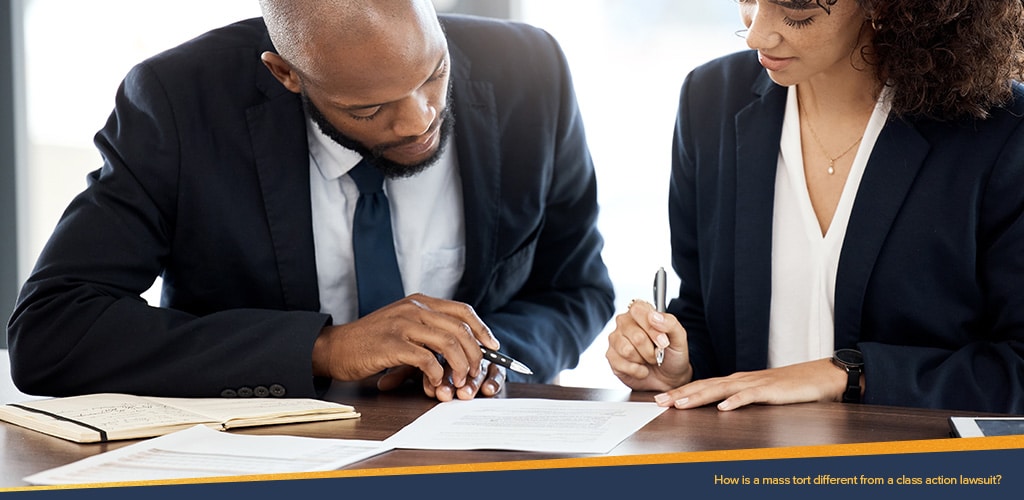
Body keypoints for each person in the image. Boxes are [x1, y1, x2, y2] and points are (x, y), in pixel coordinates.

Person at [7, 0, 614, 402]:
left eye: (433, 73)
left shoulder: (531, 71)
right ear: (286, 74)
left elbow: (576, 289)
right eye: (368, 109)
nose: (419, 121)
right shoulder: (178, 101)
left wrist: (483, 359)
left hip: (472, 454)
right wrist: (325, 349)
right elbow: (53, 331)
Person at [607, 0, 1024, 414]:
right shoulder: (711, 100)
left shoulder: (1001, 131)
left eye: (797, 11)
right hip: (743, 469)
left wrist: (846, 374)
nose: (756, 33)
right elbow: (705, 314)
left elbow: (1016, 367)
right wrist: (678, 363)